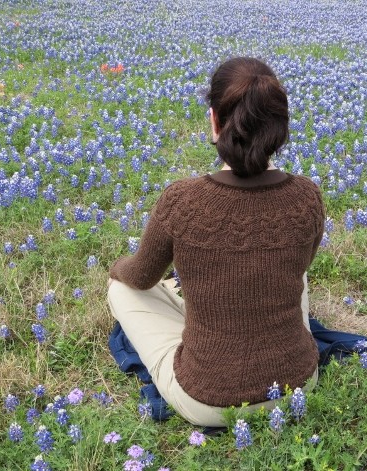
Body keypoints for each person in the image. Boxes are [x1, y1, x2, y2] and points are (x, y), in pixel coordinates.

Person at [107, 57, 325, 427]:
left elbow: (141, 277)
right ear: (278, 128)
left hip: (208, 400)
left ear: (214, 120)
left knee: (122, 289)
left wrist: (116, 269)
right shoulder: (307, 197)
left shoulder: (183, 201)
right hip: (297, 385)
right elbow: (301, 266)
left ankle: (197, 316)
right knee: (293, 276)